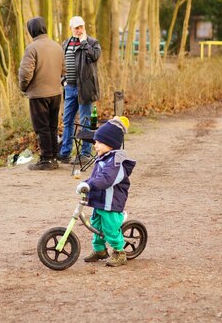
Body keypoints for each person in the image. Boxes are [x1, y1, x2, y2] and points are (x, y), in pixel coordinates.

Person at [76, 117, 135, 267]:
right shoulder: (103, 158)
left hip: (111, 202)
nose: (95, 145)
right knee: (96, 226)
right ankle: (100, 250)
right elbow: (95, 177)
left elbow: (106, 179)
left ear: (110, 143)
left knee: (110, 229)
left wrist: (90, 185)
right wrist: (86, 184)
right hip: (100, 201)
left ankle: (119, 252)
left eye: (98, 142)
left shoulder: (115, 162)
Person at [18, 17, 65, 170]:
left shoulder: (32, 48)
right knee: (52, 126)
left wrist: (23, 87)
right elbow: (64, 70)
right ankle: (53, 158)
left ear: (31, 30)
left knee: (42, 127)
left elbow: (25, 73)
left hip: (39, 94)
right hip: (56, 93)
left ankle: (46, 160)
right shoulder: (57, 46)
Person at [57, 16, 101, 163]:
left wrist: (84, 44)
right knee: (67, 120)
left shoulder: (92, 42)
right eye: (76, 27)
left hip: (85, 88)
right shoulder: (65, 44)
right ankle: (65, 152)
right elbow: (60, 64)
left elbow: (95, 56)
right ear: (71, 28)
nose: (79, 30)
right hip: (69, 88)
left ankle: (85, 153)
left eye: (81, 27)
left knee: (85, 121)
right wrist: (63, 80)